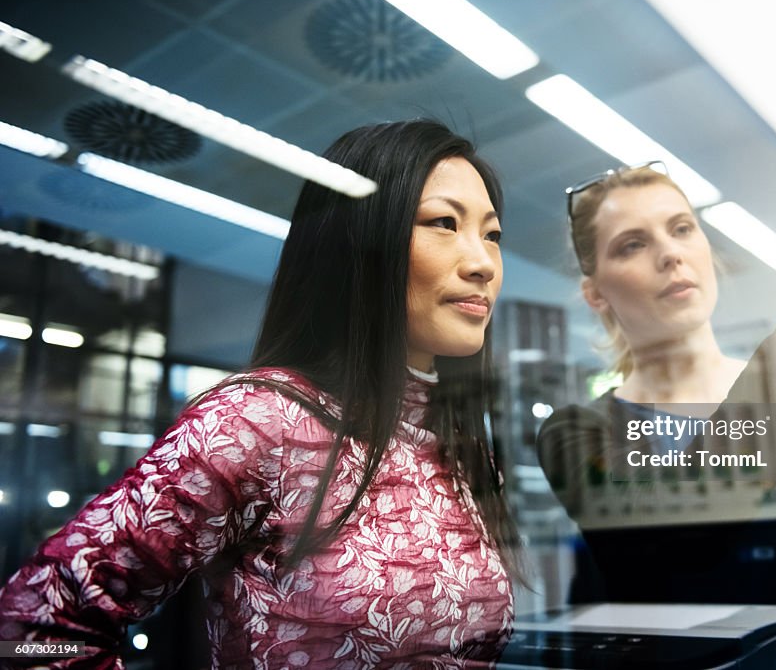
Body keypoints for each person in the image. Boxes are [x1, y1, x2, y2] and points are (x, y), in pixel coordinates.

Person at [0, 119, 521, 668]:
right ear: (359, 245)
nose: (483, 263)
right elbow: (30, 633)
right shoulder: (256, 421)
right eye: (444, 222)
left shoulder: (461, 448)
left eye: (492, 234)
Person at [537, 161, 776, 604]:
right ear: (596, 293)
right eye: (632, 244)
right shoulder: (574, 433)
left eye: (681, 228)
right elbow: (680, 541)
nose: (670, 254)